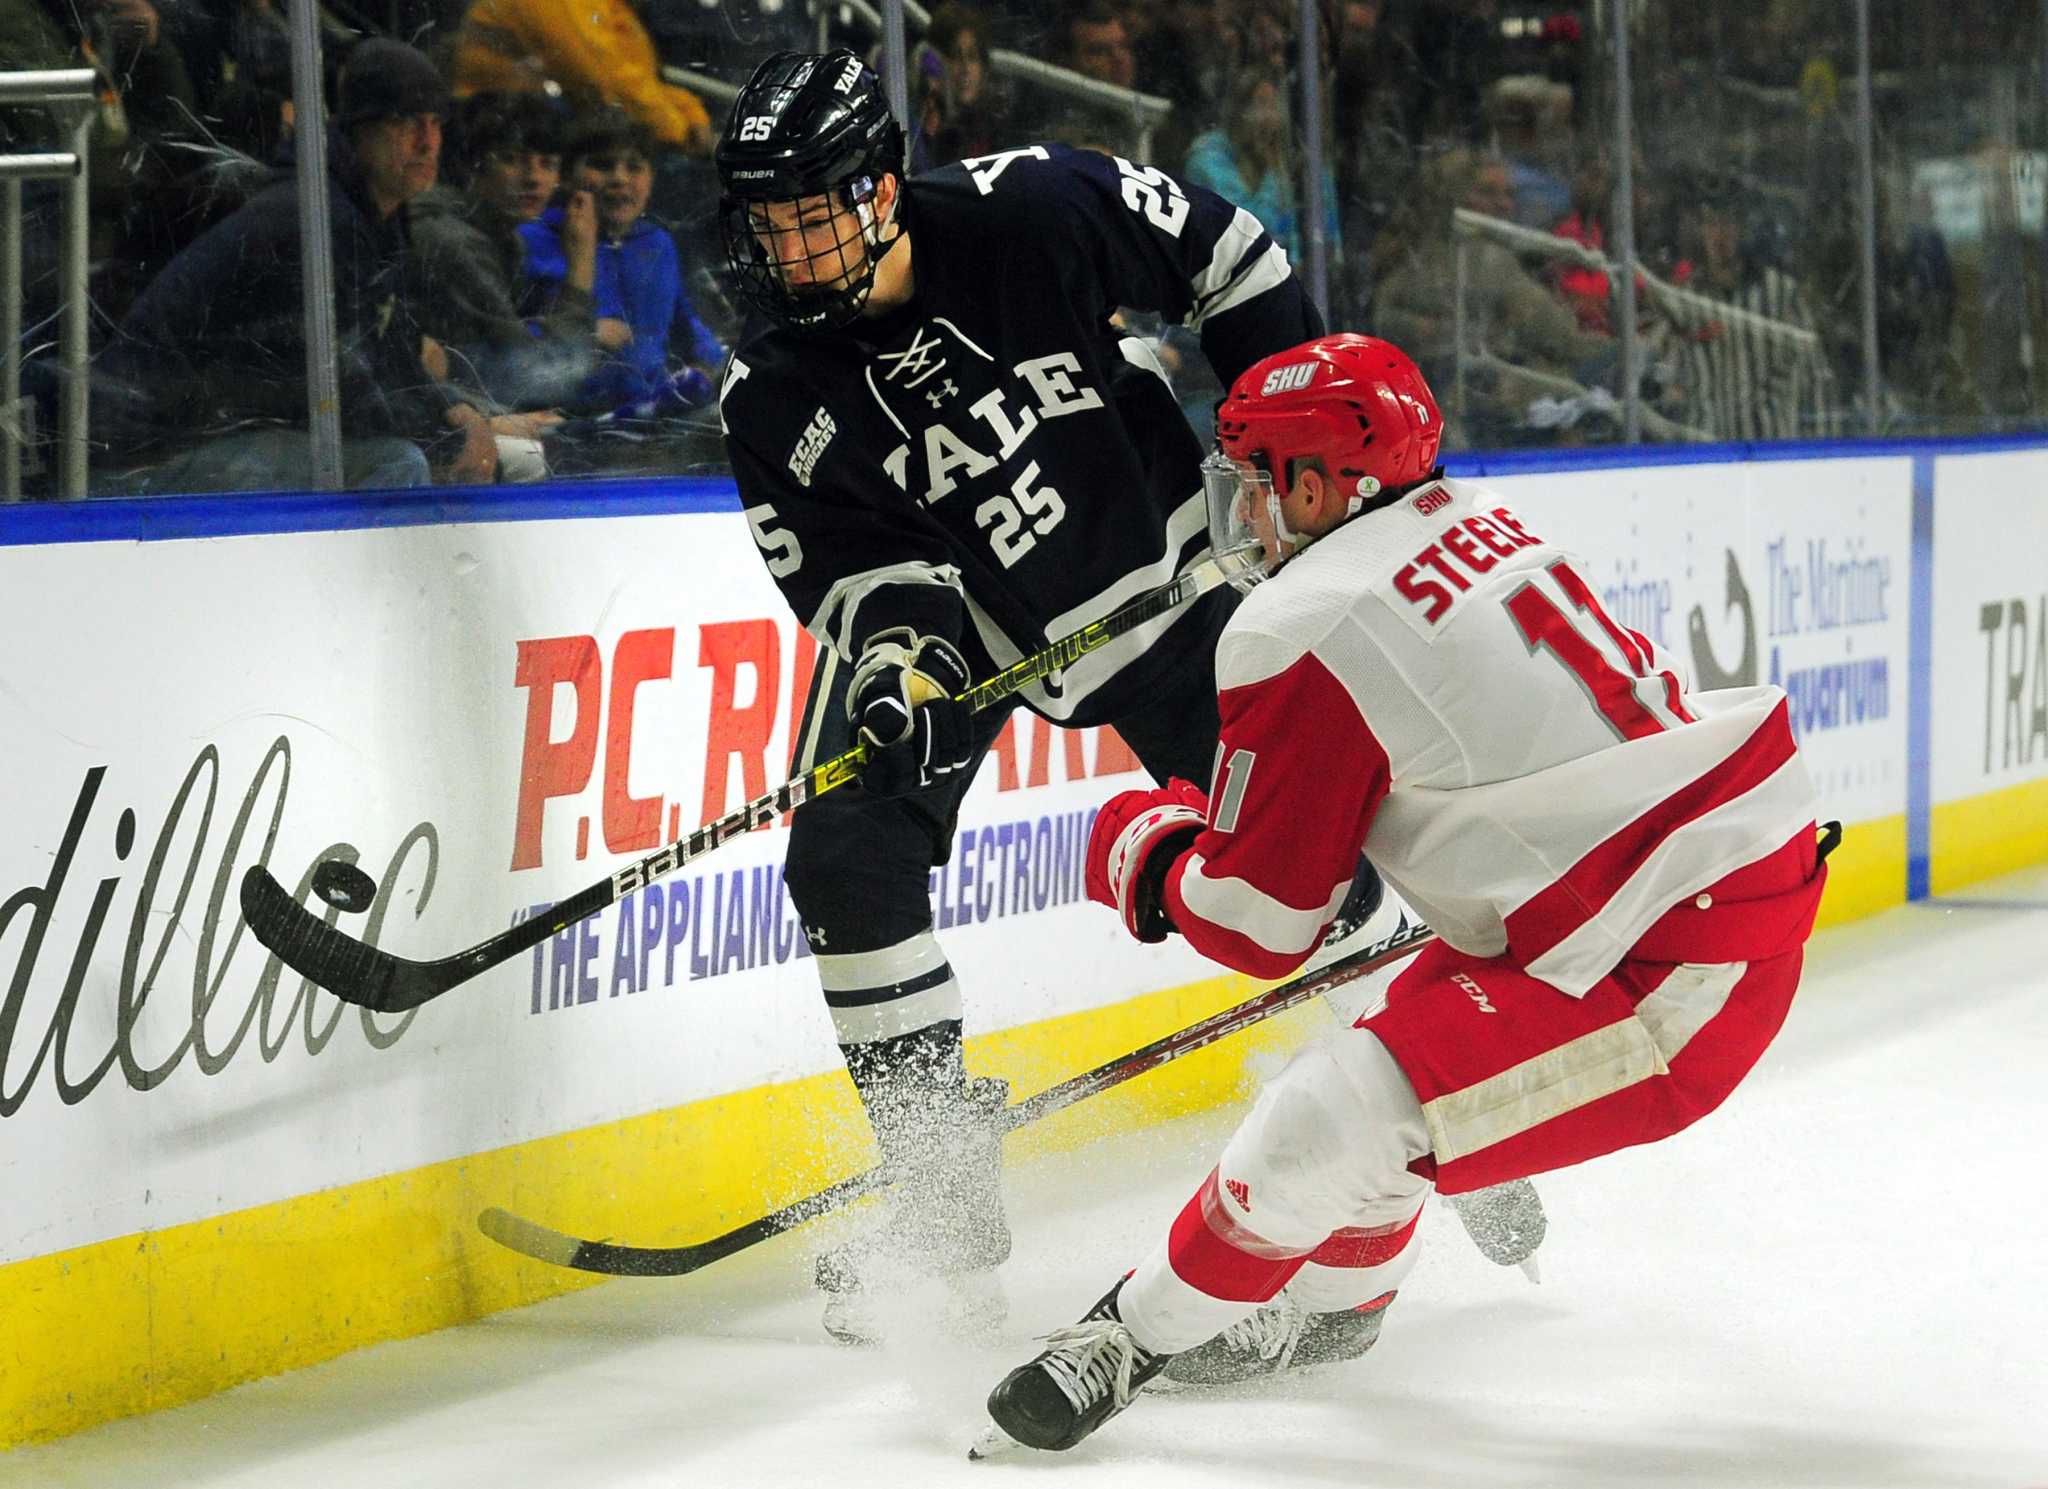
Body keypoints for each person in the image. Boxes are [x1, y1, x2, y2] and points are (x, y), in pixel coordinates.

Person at [982, 333, 1832, 1452]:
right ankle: (1336, 1312)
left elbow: (1262, 924)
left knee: (1342, 1106)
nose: (1245, 516)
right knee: (1388, 1071)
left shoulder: (1298, 617)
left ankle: (1127, 1340)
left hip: (1670, 962)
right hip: (1654, 895)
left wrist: (1146, 854)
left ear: (1323, 483)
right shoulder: (1474, 519)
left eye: (1257, 481)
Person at [711, 48, 1331, 1345]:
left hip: (1153, 581)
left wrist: (1290, 449)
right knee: (846, 855)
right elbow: (851, 572)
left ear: (881, 187)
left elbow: (1233, 260)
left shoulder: (1029, 209)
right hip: (972, 624)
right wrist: (896, 663)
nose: (791, 246)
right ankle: (939, 1199)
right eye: (769, 222)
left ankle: (1421, 1102)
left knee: (1309, 849)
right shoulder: (769, 387)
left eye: (812, 211)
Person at [96, 38, 497, 491]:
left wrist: (455, 412)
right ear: (358, 130)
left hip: (215, 434)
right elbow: (347, 386)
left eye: (434, 123)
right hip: (152, 458)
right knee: (397, 464)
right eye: (403, 123)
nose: (427, 143)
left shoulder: (372, 213)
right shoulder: (313, 218)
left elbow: (391, 349)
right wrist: (447, 442)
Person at [409, 90, 600, 414]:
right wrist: (581, 266)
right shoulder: (456, 242)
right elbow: (542, 379)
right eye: (511, 159)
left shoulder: (508, 239)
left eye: (548, 164)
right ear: (474, 164)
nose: (534, 179)